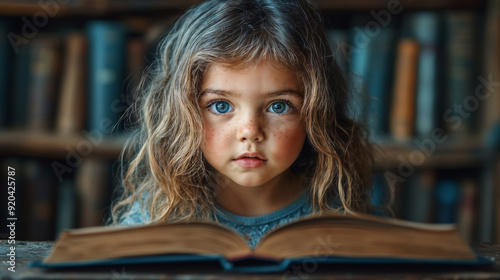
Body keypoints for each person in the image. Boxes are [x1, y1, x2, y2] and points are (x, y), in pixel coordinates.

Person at [110, 0, 375, 249]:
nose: (250, 132)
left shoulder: (342, 217)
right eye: (220, 106)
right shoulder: (154, 218)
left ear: (316, 114)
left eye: (278, 106)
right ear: (184, 112)